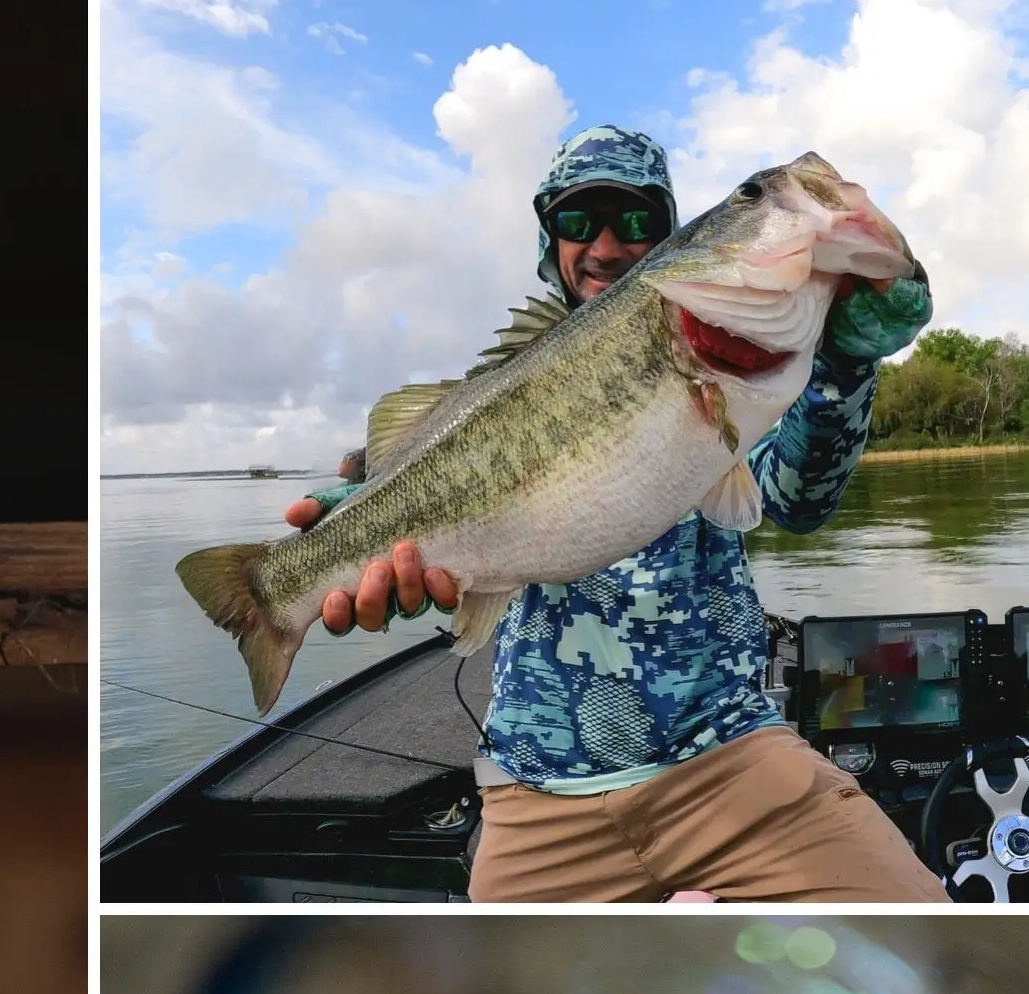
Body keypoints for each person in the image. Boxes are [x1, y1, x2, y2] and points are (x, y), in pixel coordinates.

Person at [284, 126, 945, 903]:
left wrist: (843, 364)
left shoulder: (728, 366)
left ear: (667, 241)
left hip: (733, 763)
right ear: (549, 241)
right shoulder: (502, 388)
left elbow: (797, 500)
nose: (603, 245)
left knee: (921, 936)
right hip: (536, 797)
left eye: (634, 224)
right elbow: (431, 486)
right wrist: (367, 519)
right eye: (578, 223)